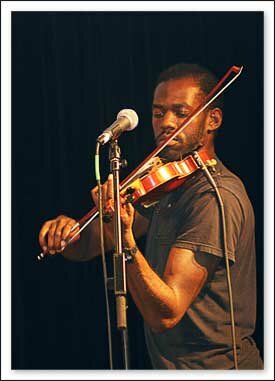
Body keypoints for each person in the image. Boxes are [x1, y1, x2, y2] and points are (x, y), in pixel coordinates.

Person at [38, 63, 263, 369]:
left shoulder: (214, 196)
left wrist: (127, 241)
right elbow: (92, 244)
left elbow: (165, 314)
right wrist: (68, 234)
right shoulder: (165, 182)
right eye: (159, 113)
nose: (166, 123)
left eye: (180, 112)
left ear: (213, 119)